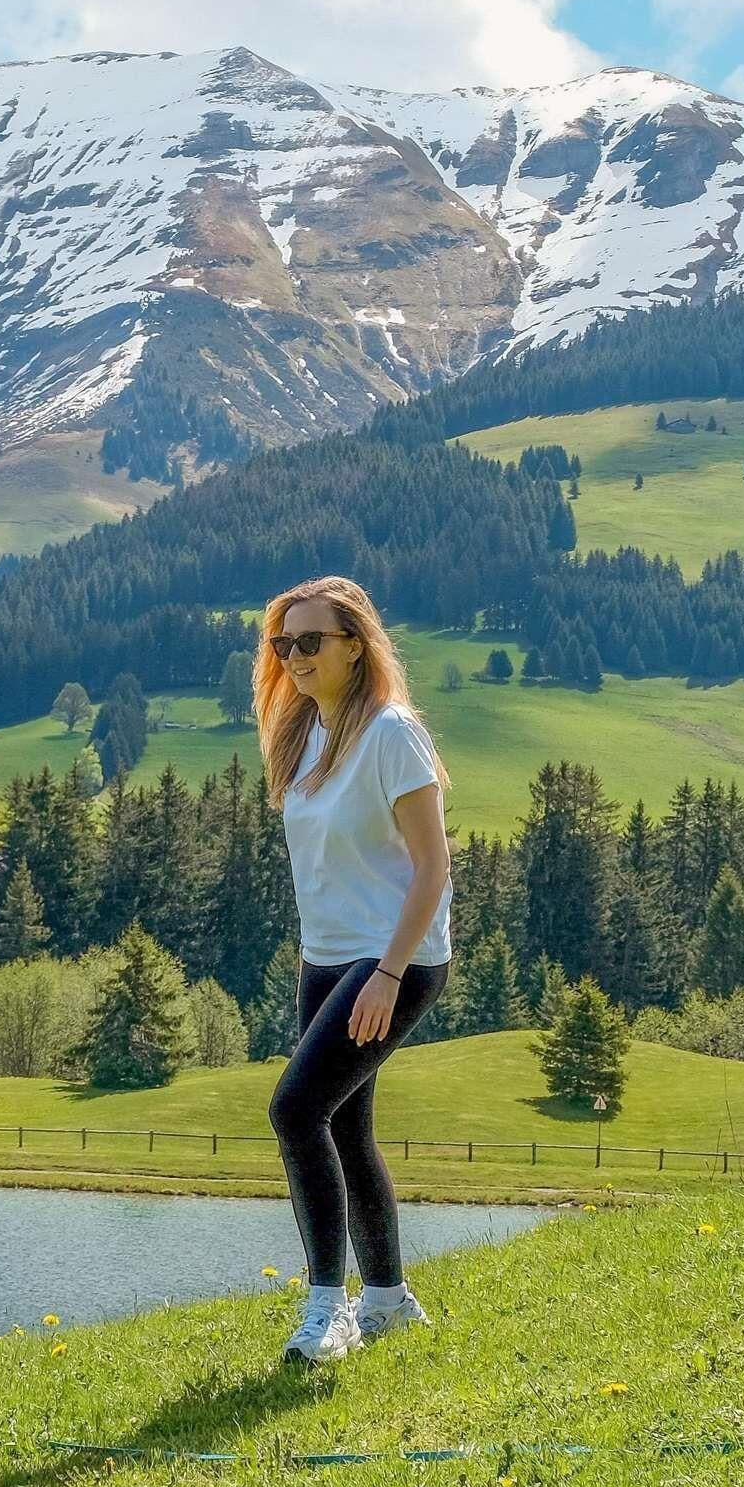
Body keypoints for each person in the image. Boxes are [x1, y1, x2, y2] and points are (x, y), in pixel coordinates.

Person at [255, 574, 453, 1366]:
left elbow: (434, 868)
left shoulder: (392, 733)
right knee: (343, 1125)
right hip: (328, 958)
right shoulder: (307, 735)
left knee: (295, 1112)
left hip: (391, 958)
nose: (295, 657)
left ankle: (325, 1309)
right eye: (283, 644)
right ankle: (389, 1301)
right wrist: (320, 966)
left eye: (311, 641)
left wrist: (389, 974)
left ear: (355, 645)